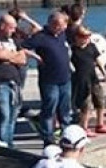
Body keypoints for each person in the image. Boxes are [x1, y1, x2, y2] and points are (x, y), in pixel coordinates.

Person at [22, 12, 71, 146]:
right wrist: (36, 57)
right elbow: (22, 47)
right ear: (51, 24)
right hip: (49, 80)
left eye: (62, 25)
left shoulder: (62, 35)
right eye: (57, 25)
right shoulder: (41, 37)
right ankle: (48, 139)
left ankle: (66, 134)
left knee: (65, 110)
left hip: (65, 78)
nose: (60, 28)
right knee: (49, 109)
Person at [0, 14, 30, 147]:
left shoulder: (14, 40)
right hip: (0, 82)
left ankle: (9, 142)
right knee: (4, 115)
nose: (14, 31)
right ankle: (4, 143)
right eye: (11, 28)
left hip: (15, 82)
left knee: (13, 115)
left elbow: (23, 59)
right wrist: (11, 56)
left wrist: (7, 57)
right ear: (2, 26)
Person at [71, 26, 106, 137]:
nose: (86, 38)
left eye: (88, 36)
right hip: (81, 80)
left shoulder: (91, 46)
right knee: (86, 105)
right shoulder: (73, 50)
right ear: (77, 37)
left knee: (100, 100)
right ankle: (83, 127)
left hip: (93, 78)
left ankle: (100, 124)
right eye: (83, 36)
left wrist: (105, 74)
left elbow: (97, 61)